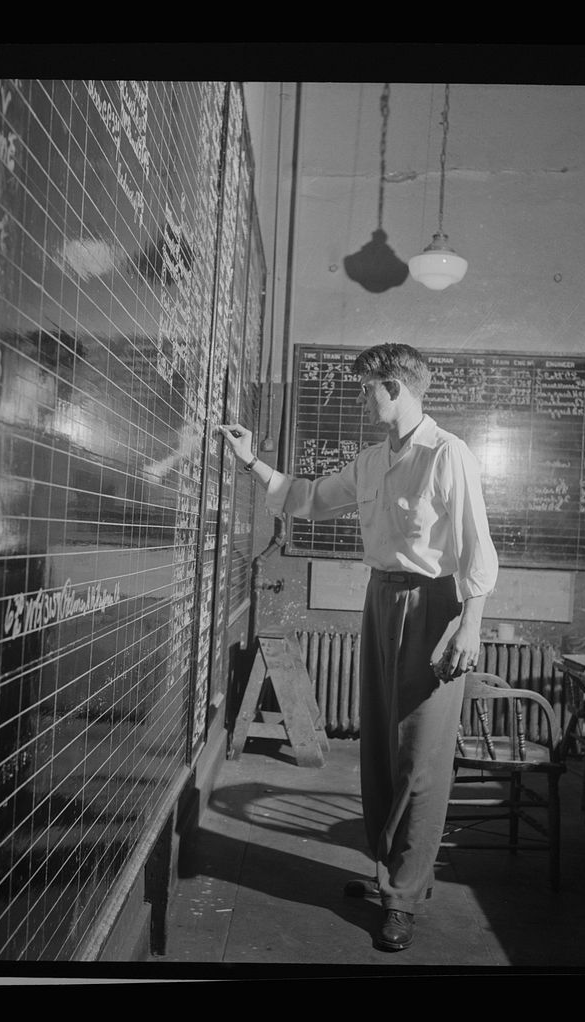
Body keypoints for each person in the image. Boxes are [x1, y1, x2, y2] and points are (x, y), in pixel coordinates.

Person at [219, 342, 498, 953]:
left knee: (420, 756)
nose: (360, 397)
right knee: (378, 745)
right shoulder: (374, 460)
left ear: (395, 386)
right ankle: (387, 873)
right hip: (380, 600)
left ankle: (403, 896)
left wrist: (469, 623)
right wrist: (252, 465)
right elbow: (311, 497)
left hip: (436, 606)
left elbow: (478, 548)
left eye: (366, 387)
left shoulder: (449, 454)